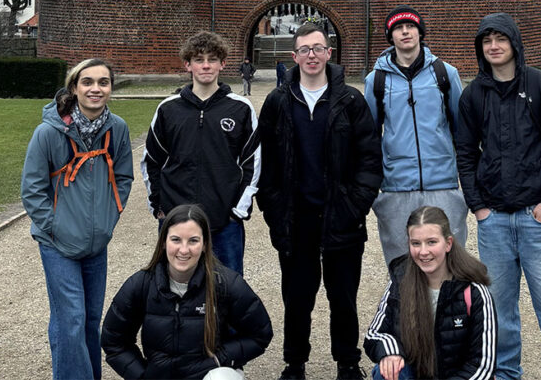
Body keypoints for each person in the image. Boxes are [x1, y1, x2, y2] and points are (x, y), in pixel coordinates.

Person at [456, 12, 541, 380]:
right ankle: (506, 372)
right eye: (487, 41)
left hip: (538, 219)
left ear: (514, 43)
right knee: (499, 310)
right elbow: (464, 152)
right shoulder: (473, 95)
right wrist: (478, 207)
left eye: (500, 39)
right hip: (494, 221)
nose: (494, 46)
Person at [257, 23, 383, 380]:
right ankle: (294, 362)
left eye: (317, 48)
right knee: (297, 298)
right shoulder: (279, 101)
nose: (311, 56)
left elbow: (370, 158)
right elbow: (265, 163)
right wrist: (274, 207)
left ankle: (347, 361)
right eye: (304, 50)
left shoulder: (350, 100)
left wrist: (355, 205)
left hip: (340, 214)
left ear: (330, 54)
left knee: (343, 296)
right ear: (294, 57)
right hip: (295, 217)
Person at [21, 58, 134, 380]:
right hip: (57, 243)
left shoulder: (118, 129)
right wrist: (55, 226)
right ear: (74, 87)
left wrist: (109, 217)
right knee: (70, 317)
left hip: (96, 241)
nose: (95, 89)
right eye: (87, 82)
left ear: (111, 88)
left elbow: (124, 177)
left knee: (87, 319)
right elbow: (32, 189)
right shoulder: (48, 132)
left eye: (103, 82)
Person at [101, 204, 273, 380]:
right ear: (163, 242)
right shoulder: (141, 284)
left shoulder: (225, 283)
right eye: (176, 239)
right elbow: (113, 340)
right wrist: (142, 375)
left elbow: (260, 333)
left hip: (207, 375)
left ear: (205, 244)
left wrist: (220, 359)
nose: (184, 250)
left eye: (193, 240)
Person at [141, 31, 260, 276]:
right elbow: (151, 160)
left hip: (224, 221)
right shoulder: (168, 109)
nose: (206, 65)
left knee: (228, 290)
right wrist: (159, 205)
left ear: (223, 63)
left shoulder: (240, 108)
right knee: (175, 289)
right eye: (199, 59)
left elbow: (253, 162)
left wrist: (238, 210)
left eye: (213, 59)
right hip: (176, 219)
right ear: (188, 64)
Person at [364, 5, 468, 267]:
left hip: (442, 184)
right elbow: (369, 137)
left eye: (410, 26)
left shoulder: (446, 74)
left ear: (420, 32)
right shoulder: (376, 80)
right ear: (391, 37)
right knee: (402, 267)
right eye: (398, 28)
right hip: (397, 188)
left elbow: (462, 132)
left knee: (450, 265)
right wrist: (375, 189)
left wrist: (465, 185)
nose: (405, 32)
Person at [364, 206, 496, 380]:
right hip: (415, 373)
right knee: (387, 371)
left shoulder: (474, 291)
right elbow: (375, 333)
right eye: (416, 243)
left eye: (432, 242)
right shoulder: (401, 280)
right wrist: (391, 353)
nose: (423, 252)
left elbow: (483, 365)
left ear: (448, 243)